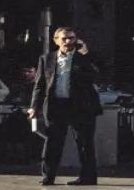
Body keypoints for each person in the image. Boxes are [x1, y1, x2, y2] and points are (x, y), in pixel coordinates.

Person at [28, 26, 102, 186]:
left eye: (71, 38)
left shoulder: (84, 58)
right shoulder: (46, 59)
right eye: (64, 38)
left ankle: (88, 177)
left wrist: (86, 55)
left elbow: (95, 76)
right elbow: (40, 85)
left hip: (80, 106)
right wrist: (34, 106)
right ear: (56, 41)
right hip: (56, 105)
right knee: (53, 142)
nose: (68, 41)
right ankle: (48, 176)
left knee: (84, 142)